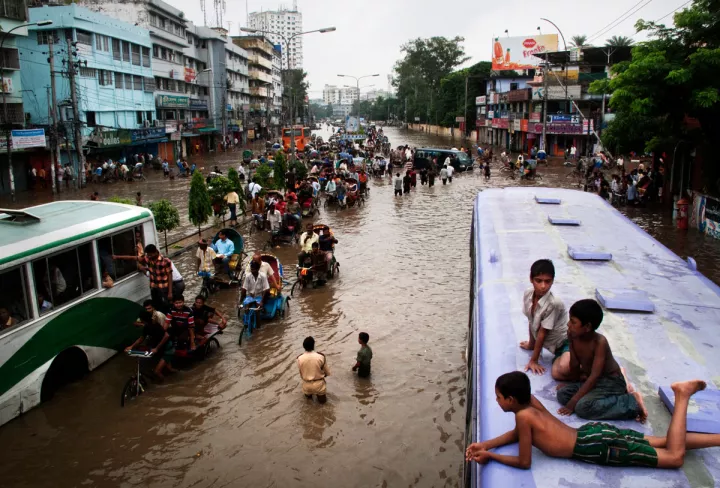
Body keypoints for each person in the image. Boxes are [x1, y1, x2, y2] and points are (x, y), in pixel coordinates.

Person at [466, 372, 717, 471]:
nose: (496, 401)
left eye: (498, 397)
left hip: (594, 447)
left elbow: (524, 461)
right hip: (592, 432)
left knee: (674, 457)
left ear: (510, 399)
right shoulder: (530, 403)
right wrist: (486, 444)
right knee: (663, 441)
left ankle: (682, 395)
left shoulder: (523, 417)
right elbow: (517, 435)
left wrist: (492, 456)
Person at [556, 299, 647, 421]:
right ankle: (607, 398)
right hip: (592, 381)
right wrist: (571, 345)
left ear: (587, 327)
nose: (568, 324)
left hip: (611, 382)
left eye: (573, 322)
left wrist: (573, 402)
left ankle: (632, 403)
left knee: (582, 408)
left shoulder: (599, 342)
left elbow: (594, 376)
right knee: (562, 394)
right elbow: (575, 365)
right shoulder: (574, 335)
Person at [520, 259, 571, 380]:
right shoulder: (528, 294)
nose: (543, 286)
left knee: (564, 368)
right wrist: (531, 344)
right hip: (554, 348)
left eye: (548, 281)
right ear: (531, 279)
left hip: (566, 343)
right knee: (557, 373)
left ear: (552, 281)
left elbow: (543, 333)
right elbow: (531, 320)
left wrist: (534, 360)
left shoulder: (553, 303)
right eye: (538, 281)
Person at [113, 244, 173, 311]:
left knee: (167, 306)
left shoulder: (165, 261)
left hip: (164, 288)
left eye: (150, 255)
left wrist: (170, 292)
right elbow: (133, 258)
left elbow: (170, 275)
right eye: (148, 255)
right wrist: (117, 257)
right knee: (157, 306)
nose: (149, 256)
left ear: (155, 252)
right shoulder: (148, 258)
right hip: (154, 287)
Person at [126, 302, 176, 378]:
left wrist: (156, 348)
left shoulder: (155, 326)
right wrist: (131, 346)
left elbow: (166, 335)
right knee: (169, 369)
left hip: (167, 349)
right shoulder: (146, 327)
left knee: (157, 372)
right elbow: (141, 338)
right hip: (160, 347)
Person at [297, 336, 331, 404]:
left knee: (308, 403)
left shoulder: (299, 358)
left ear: (304, 346)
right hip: (319, 384)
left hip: (306, 384)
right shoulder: (321, 356)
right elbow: (327, 373)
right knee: (323, 404)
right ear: (313, 345)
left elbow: (301, 374)